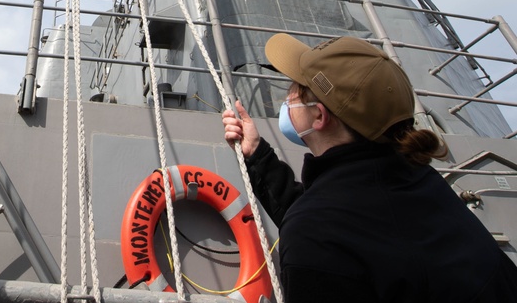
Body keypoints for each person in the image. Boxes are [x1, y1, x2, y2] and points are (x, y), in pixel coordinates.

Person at [222, 34, 517, 303]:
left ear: (319, 116)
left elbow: (330, 234)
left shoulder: (316, 230)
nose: (288, 97)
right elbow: (347, 231)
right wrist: (256, 155)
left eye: (296, 89)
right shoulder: (415, 178)